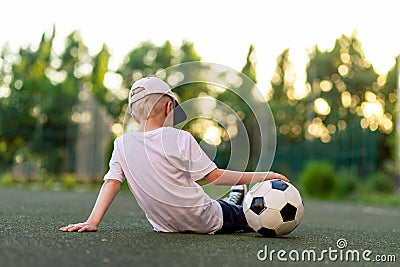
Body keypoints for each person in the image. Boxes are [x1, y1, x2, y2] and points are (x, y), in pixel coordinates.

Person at [59, 77, 289, 234]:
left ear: (135, 116)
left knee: (220, 205)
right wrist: (264, 175)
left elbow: (111, 183)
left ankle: (234, 199)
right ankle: (236, 201)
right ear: (169, 108)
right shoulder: (181, 138)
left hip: (164, 225)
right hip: (206, 220)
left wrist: (92, 222)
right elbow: (215, 177)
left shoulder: (121, 144)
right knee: (243, 218)